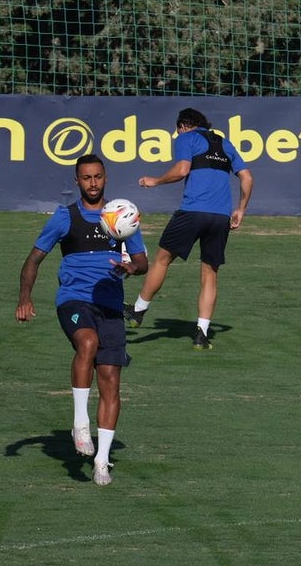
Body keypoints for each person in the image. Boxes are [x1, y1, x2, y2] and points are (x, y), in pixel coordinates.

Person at [16, 154, 148, 486]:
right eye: (86, 178)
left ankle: (102, 460)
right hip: (74, 300)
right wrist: (25, 298)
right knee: (86, 342)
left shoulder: (122, 216)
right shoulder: (65, 218)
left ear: (106, 178)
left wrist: (130, 267)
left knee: (110, 381)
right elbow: (33, 260)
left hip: (111, 306)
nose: (93, 183)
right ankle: (80, 423)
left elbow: (143, 262)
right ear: (77, 181)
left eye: (98, 177)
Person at [125, 107, 253, 350]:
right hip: (220, 218)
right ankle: (202, 334)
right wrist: (241, 209)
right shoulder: (226, 144)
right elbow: (247, 177)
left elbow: (182, 170)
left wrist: (156, 181)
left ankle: (138, 311)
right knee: (209, 274)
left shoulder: (187, 138)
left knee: (162, 260)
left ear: (184, 125)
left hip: (193, 212)